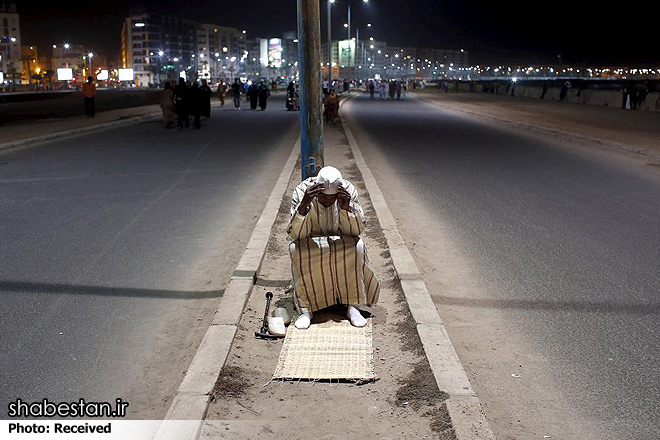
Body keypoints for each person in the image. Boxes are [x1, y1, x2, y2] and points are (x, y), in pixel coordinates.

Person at [287, 166, 379, 329]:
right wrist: (304, 205)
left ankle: (353, 306)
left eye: (332, 199)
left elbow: (356, 231)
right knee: (297, 250)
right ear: (317, 191)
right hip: (310, 242)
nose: (328, 202)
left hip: (341, 241)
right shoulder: (302, 191)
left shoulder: (348, 190)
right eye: (323, 198)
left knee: (358, 246)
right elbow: (296, 234)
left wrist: (346, 208)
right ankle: (306, 310)